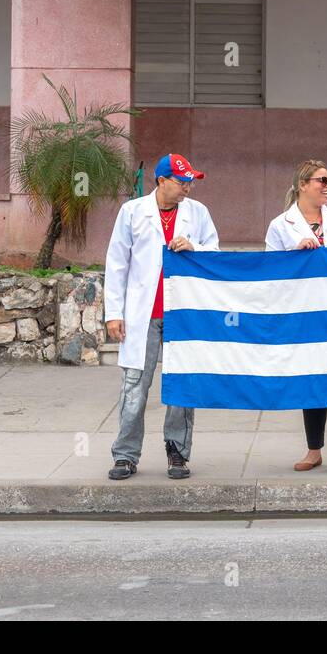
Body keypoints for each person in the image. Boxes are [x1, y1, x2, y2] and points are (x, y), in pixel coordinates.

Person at [104, 153, 219, 482]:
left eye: (190, 182)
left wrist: (194, 245)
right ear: (162, 181)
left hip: (182, 314)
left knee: (182, 386)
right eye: (182, 182)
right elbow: (117, 263)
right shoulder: (132, 212)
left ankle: (178, 453)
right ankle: (125, 454)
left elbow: (215, 250)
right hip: (144, 315)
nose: (187, 188)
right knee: (134, 387)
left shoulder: (198, 213)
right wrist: (114, 313)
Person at [265, 159, 327, 476]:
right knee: (312, 380)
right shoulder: (281, 225)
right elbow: (270, 272)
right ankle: (314, 450)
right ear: (303, 185)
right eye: (322, 180)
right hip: (304, 315)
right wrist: (296, 254)